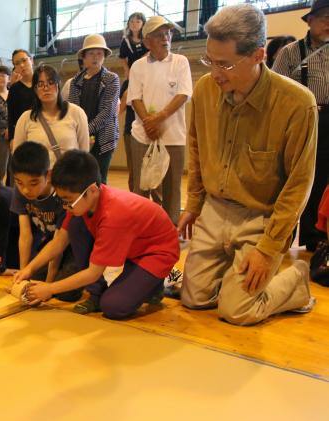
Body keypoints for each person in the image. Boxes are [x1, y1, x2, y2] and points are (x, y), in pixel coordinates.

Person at [178, 4, 317, 325]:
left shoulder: (297, 104)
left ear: (258, 55)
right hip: (215, 208)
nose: (214, 73)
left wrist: (268, 248)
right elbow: (197, 148)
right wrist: (194, 203)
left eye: (224, 65)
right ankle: (234, 274)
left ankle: (294, 278)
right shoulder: (204, 90)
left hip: (261, 216)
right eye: (209, 61)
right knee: (193, 299)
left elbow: (298, 185)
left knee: (236, 311)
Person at [15, 150, 179, 317]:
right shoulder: (82, 202)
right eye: (62, 200)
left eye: (69, 200)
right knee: (76, 224)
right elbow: (58, 242)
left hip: (157, 252)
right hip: (134, 249)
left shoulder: (113, 216)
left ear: (92, 190)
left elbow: (94, 272)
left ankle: (155, 284)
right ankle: (98, 293)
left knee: (113, 306)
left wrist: (50, 288)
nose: (65, 206)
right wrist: (29, 268)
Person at [273, 0, 329, 251]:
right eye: (324, 17)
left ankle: (315, 235)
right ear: (309, 20)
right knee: (295, 179)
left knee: (323, 180)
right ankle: (283, 234)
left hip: (328, 121)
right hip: (302, 121)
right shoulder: (291, 52)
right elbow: (274, 90)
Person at [127, 15, 192, 225]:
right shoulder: (137, 66)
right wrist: (148, 123)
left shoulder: (180, 62)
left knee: (172, 188)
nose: (166, 38)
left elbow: (183, 94)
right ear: (147, 41)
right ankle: (141, 228)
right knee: (141, 186)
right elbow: (134, 98)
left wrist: (159, 119)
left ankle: (171, 229)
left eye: (168, 33)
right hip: (142, 135)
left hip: (173, 136)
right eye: (159, 35)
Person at [10, 142, 82, 302]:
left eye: (33, 183)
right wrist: (23, 275)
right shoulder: (20, 192)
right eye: (19, 182)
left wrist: (48, 287)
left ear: (48, 175)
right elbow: (25, 236)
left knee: (66, 294)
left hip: (75, 245)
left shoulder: (61, 195)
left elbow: (59, 244)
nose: (26, 190)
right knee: (33, 277)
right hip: (51, 244)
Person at [68, 33, 120, 184]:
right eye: (91, 53)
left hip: (104, 139)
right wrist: (81, 133)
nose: (95, 57)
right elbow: (73, 110)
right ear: (84, 57)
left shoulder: (112, 79)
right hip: (81, 136)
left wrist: (85, 130)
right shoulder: (75, 81)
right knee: (82, 178)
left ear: (104, 56)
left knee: (99, 179)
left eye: (99, 53)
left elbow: (107, 113)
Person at [12, 65, 89, 166]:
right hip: (39, 178)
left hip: (69, 177)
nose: (46, 88)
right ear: (35, 89)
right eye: (40, 84)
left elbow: (84, 152)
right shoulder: (26, 118)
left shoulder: (76, 113)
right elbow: (17, 154)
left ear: (58, 86)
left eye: (50, 83)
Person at [118, 12, 148, 190]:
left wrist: (138, 69)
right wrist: (129, 71)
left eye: (138, 20)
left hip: (144, 75)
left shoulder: (147, 40)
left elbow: (150, 54)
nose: (134, 23)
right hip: (132, 76)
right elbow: (123, 60)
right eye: (132, 20)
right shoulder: (125, 41)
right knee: (125, 94)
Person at [7, 49, 36, 148]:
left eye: (24, 60)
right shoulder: (14, 89)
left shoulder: (42, 83)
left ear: (31, 60)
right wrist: (11, 138)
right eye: (17, 63)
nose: (22, 65)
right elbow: (11, 116)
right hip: (23, 133)